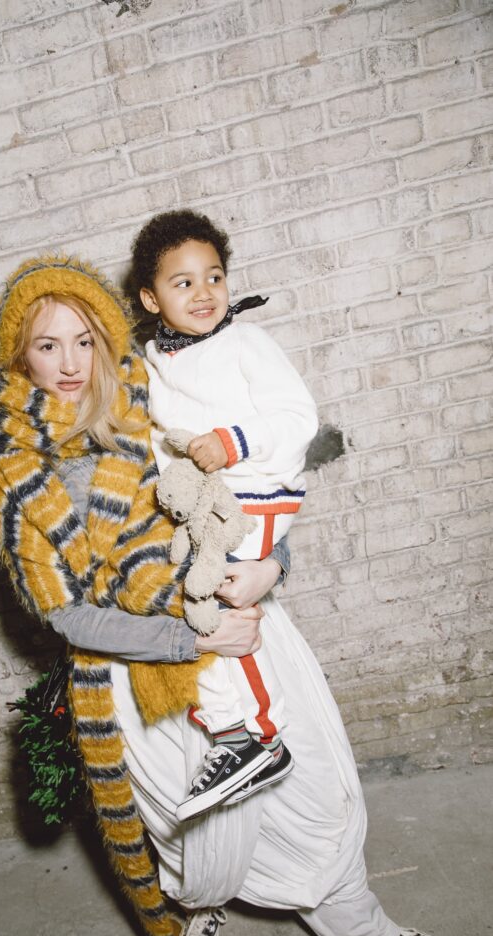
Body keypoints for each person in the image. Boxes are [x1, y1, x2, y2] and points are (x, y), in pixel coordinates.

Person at [0, 253, 449, 936]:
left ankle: (360, 928)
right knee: (187, 824)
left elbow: (246, 498)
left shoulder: (150, 401)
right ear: (19, 355)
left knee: (309, 796)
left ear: (107, 339)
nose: (70, 363)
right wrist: (186, 639)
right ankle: (207, 901)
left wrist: (274, 566)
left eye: (84, 341)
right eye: (47, 345)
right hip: (139, 671)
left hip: (241, 629)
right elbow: (65, 614)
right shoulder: (14, 471)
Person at [133, 209, 319, 821]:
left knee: (222, 605)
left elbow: (298, 418)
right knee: (193, 605)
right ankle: (229, 729)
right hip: (207, 504)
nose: (204, 292)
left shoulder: (245, 342)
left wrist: (232, 441)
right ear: (151, 299)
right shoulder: (154, 361)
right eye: (183, 282)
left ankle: (261, 738)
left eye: (214, 277)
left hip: (258, 492)